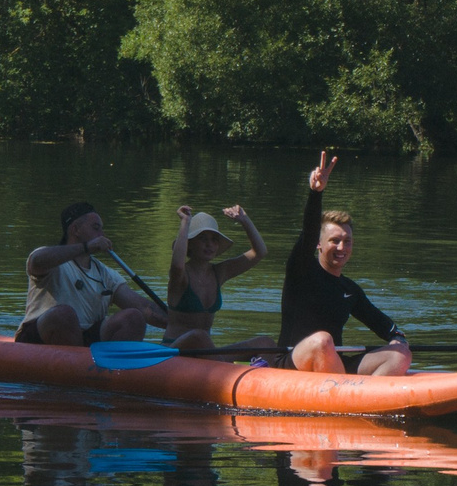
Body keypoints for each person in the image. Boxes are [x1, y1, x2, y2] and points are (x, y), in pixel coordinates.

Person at [279, 149, 412, 376]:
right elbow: (309, 231)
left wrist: (397, 337)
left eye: (347, 241)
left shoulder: (349, 290)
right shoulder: (301, 270)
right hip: (293, 362)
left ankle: (364, 393)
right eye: (334, 241)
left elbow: (381, 323)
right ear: (319, 244)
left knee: (401, 354)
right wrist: (316, 193)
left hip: (334, 364)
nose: (342, 248)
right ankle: (347, 389)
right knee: (322, 340)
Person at [17, 200, 163, 347]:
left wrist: (175, 322)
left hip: (84, 339)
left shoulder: (106, 274)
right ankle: (78, 359)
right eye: (96, 228)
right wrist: (87, 247)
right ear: (76, 230)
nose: (102, 235)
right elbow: (37, 261)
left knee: (133, 317)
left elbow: (145, 309)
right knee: (63, 315)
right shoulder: (52, 259)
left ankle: (106, 362)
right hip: (40, 336)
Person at [160, 203, 267, 352]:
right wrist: (185, 222)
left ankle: (222, 362)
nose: (209, 245)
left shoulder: (220, 272)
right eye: (203, 239)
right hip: (174, 351)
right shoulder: (180, 275)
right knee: (198, 336)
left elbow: (259, 252)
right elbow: (177, 265)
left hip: (207, 353)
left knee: (265, 342)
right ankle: (221, 363)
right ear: (190, 244)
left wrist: (244, 220)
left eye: (214, 239)